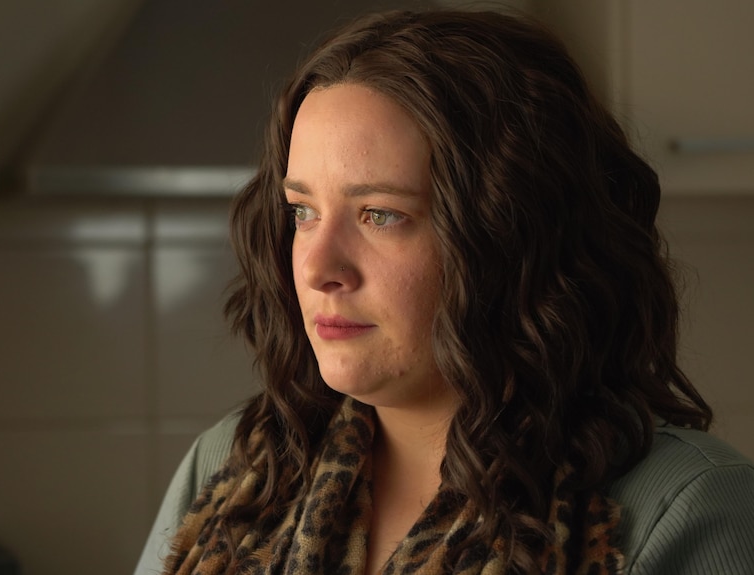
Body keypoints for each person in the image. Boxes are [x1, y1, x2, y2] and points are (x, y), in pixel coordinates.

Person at [135, 9, 754, 575]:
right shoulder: (234, 467)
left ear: (510, 237)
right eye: (302, 212)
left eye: (380, 214)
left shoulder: (682, 509)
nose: (318, 266)